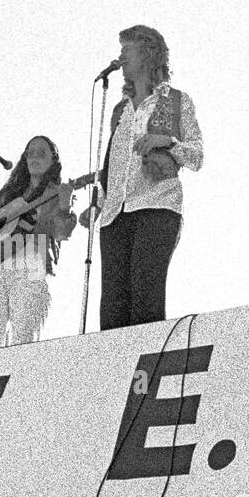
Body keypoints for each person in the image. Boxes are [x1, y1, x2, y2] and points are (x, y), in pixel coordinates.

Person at [80, 25, 203, 329]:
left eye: (127, 48)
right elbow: (113, 164)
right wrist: (97, 201)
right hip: (114, 215)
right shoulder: (120, 110)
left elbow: (197, 155)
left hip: (156, 207)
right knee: (112, 311)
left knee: (145, 303)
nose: (120, 55)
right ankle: (114, 373)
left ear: (148, 53)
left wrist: (168, 142)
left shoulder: (177, 101)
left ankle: (146, 374)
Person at [0, 135, 77, 351]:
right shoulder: (10, 193)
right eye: (30, 153)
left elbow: (61, 234)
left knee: (23, 342)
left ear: (54, 160)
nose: (34, 157)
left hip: (31, 266)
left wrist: (64, 206)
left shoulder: (56, 193)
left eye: (41, 153)